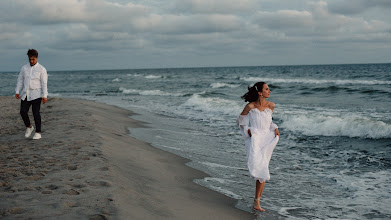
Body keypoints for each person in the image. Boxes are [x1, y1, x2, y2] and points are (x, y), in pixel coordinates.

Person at [237, 81, 280, 212]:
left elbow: (269, 122)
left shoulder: (271, 106)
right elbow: (241, 122)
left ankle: (257, 202)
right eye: (267, 89)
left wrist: (275, 128)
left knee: (263, 168)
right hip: (255, 138)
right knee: (259, 168)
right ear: (260, 92)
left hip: (268, 139)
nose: (269, 91)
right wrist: (248, 130)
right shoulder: (250, 106)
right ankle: (256, 202)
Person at [15, 49, 48, 140]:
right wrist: (17, 91)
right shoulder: (24, 68)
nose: (31, 61)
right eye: (30, 59)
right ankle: (29, 127)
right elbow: (20, 80)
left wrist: (44, 95)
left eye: (33, 59)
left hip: (36, 94)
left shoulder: (42, 69)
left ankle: (38, 132)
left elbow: (44, 83)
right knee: (22, 111)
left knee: (35, 113)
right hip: (25, 93)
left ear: (37, 58)